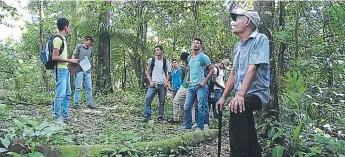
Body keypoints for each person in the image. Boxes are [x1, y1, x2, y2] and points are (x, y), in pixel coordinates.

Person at [216, 10, 270, 157]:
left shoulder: (260, 39)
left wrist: (239, 95)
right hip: (243, 94)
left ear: (247, 22)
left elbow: (253, 69)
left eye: (237, 19)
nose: (234, 22)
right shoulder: (238, 47)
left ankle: (237, 154)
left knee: (238, 106)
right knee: (247, 124)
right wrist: (223, 97)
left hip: (257, 93)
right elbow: (233, 74)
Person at [52, 18, 79, 123]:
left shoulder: (63, 39)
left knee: (67, 93)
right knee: (60, 94)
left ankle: (65, 115)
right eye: (69, 26)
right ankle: (57, 118)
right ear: (65, 27)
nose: (69, 28)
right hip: (59, 70)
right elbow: (54, 57)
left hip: (65, 69)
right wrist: (70, 60)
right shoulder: (57, 39)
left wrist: (70, 62)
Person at [184, 38, 214, 131]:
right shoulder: (189, 57)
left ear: (200, 46)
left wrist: (204, 81)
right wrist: (187, 79)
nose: (195, 44)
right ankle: (188, 125)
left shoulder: (203, 57)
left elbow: (212, 69)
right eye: (193, 42)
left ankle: (200, 126)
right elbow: (190, 68)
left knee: (201, 106)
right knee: (187, 106)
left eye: (197, 43)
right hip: (191, 85)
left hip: (200, 86)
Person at [142, 45, 171, 122]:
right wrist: (150, 81)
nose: (156, 51)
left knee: (162, 101)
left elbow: (169, 73)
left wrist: (166, 81)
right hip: (153, 84)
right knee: (148, 99)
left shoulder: (166, 61)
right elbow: (147, 71)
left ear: (161, 51)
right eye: (155, 50)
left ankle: (160, 116)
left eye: (158, 50)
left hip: (162, 84)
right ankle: (146, 116)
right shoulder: (152, 60)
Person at [72, 36, 97, 109]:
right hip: (79, 69)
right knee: (78, 87)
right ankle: (75, 103)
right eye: (89, 41)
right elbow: (73, 56)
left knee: (89, 87)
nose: (90, 43)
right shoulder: (79, 46)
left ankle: (89, 103)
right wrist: (73, 64)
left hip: (87, 70)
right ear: (86, 40)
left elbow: (90, 58)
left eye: (91, 42)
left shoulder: (90, 49)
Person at [169, 52, 189, 123]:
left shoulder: (192, 63)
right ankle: (175, 119)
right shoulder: (182, 67)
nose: (184, 62)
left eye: (185, 60)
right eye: (183, 61)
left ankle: (186, 119)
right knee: (175, 101)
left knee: (187, 105)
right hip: (183, 86)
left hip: (191, 86)